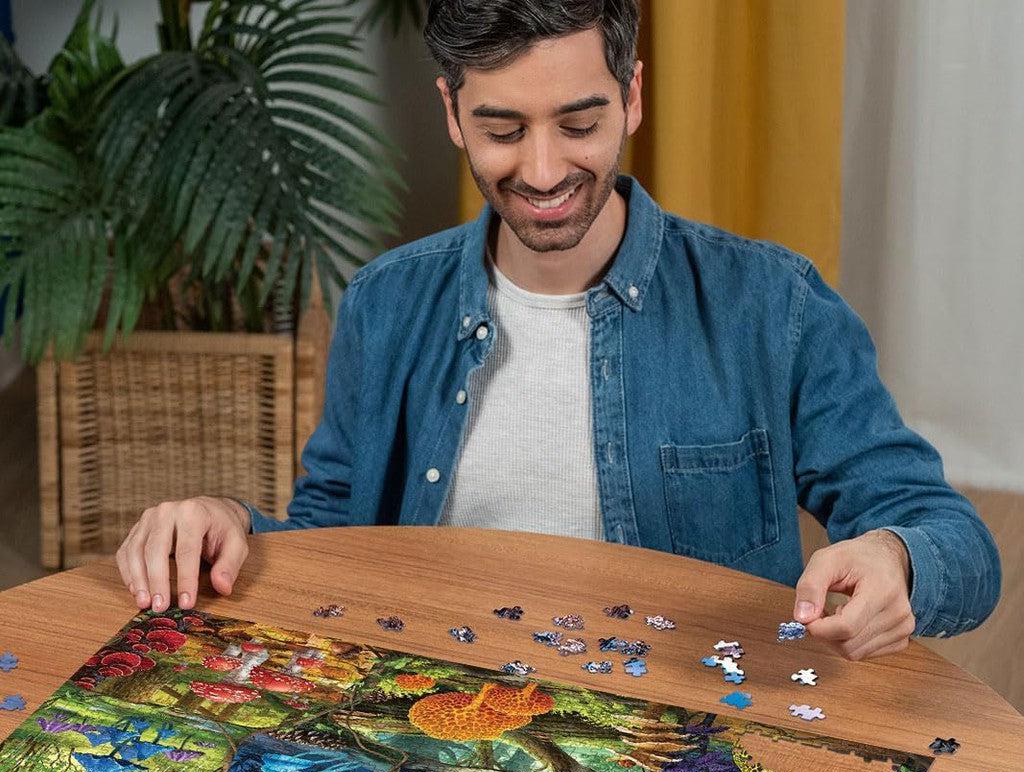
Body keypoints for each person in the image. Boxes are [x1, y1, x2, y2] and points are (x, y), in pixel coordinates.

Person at [117, 0, 1001, 662]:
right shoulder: (385, 301)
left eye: (579, 123)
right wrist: (225, 521)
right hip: (432, 719)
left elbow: (957, 543)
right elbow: (331, 544)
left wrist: (896, 559)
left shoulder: (772, 304)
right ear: (454, 113)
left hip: (685, 737)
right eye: (503, 129)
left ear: (633, 96)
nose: (543, 171)